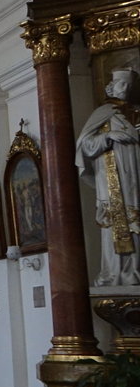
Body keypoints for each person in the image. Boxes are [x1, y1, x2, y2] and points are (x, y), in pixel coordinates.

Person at [77, 68, 140, 286]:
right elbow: (85, 144)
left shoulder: (132, 114)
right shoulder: (104, 112)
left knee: (136, 223)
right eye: (122, 85)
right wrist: (108, 136)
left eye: (128, 86)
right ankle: (114, 272)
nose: (126, 90)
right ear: (111, 87)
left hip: (133, 181)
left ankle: (133, 271)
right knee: (114, 223)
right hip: (113, 180)